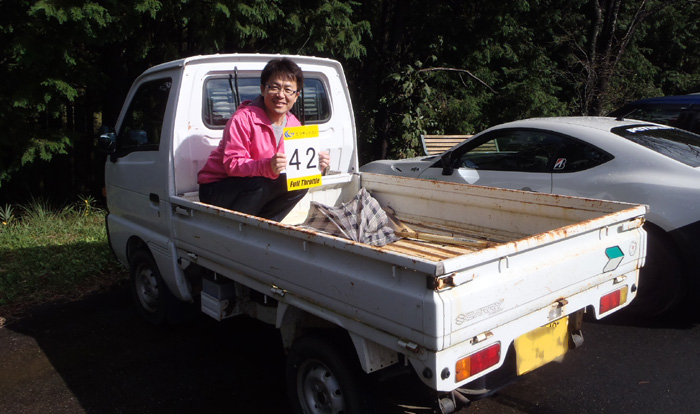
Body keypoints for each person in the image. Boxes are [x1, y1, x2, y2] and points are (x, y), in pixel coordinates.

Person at [197, 58, 330, 221]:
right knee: (261, 183)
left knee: (300, 185)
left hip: (253, 186)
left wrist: (318, 166)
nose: (281, 95)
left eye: (288, 90)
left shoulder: (295, 125)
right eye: (274, 87)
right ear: (262, 89)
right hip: (216, 188)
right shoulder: (242, 119)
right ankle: (240, 227)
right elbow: (232, 164)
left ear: (296, 96)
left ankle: (266, 225)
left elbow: (297, 168)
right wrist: (267, 166)